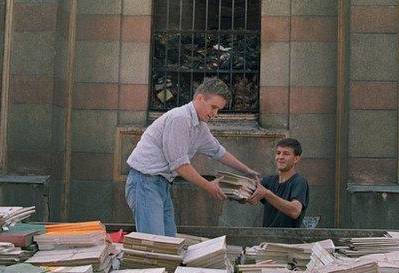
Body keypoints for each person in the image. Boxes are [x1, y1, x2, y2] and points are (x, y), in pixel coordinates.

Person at [125, 77, 259, 237]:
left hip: (161, 184)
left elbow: (219, 152)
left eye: (219, 110)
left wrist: (247, 171)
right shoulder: (180, 118)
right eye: (213, 107)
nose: (215, 114)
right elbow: (180, 165)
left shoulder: (200, 126)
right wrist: (208, 186)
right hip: (145, 183)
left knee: (168, 244)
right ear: (200, 98)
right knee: (155, 246)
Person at [247, 138, 310, 228]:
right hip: (266, 238)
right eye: (278, 153)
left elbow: (295, 211)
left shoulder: (299, 182)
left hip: (287, 240)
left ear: (296, 159)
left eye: (286, 154)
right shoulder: (269, 181)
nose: (280, 157)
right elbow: (247, 191)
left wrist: (267, 194)